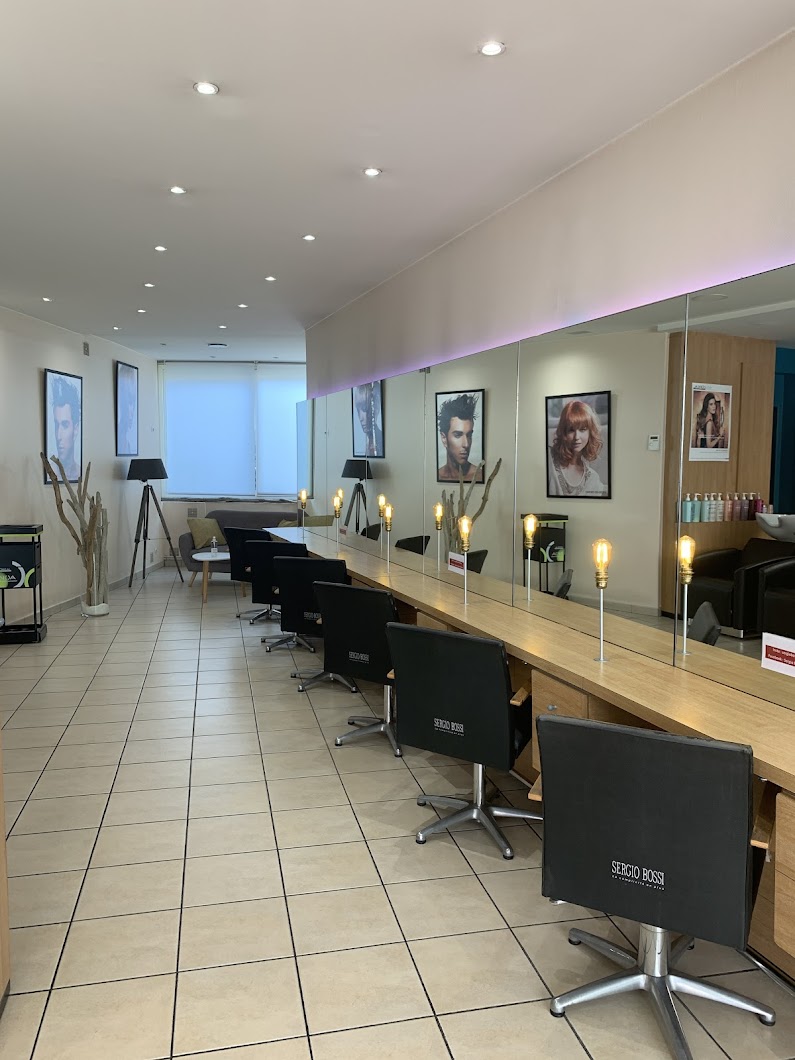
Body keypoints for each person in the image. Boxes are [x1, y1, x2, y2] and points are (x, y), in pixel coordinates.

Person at [547, 398, 607, 497]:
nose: (576, 437)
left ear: (590, 433)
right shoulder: (549, 458)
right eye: (571, 430)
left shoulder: (592, 479)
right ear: (563, 432)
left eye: (582, 429)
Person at [437, 392, 483, 482]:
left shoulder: (479, 476)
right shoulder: (436, 476)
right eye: (458, 435)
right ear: (444, 438)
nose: (466, 444)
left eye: (469, 435)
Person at [50, 375, 81, 481]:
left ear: (75, 429)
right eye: (57, 425)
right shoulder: (50, 473)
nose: (58, 436)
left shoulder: (79, 473)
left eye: (65, 425)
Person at [353, 383, 383, 457]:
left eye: (364, 408)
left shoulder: (380, 441)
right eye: (358, 410)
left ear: (375, 408)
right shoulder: (362, 444)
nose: (361, 418)